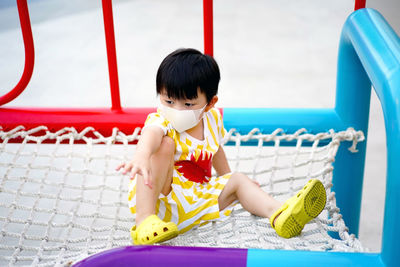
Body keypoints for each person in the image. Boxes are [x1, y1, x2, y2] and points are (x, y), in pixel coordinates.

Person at [116, 48, 326, 245]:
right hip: (161, 202)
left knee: (238, 179)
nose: (176, 109)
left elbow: (215, 149)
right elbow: (150, 135)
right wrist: (142, 155)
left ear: (210, 103)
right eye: (168, 101)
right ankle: (144, 221)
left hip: (194, 203)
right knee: (164, 145)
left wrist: (231, 181)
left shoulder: (212, 119)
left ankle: (280, 214)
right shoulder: (160, 120)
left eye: (188, 104)